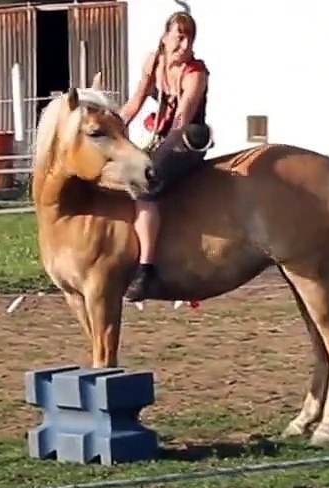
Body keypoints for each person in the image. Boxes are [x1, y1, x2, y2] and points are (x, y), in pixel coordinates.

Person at [118, 10, 213, 302]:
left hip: (188, 138)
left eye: (190, 39)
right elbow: (135, 102)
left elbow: (180, 121)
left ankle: (146, 270)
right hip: (162, 135)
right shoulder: (153, 62)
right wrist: (112, 130)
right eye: (179, 37)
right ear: (165, 36)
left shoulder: (195, 73)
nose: (184, 46)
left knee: (148, 182)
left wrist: (150, 152)